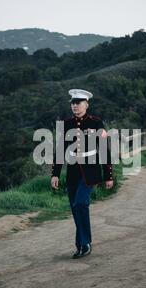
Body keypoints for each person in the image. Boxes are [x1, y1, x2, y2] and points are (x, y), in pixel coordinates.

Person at [51, 89, 114, 259]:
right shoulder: (66, 124)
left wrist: (108, 175)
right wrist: (55, 173)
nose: (75, 106)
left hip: (90, 172)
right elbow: (59, 150)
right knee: (74, 208)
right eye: (72, 103)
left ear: (86, 104)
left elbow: (104, 150)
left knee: (80, 204)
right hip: (72, 173)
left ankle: (85, 242)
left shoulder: (95, 122)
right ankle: (80, 244)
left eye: (78, 103)